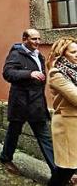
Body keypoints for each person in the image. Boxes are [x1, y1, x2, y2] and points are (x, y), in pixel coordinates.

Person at [0, 29, 55, 175]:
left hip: (36, 104)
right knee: (13, 132)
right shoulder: (16, 54)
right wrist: (29, 73)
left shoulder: (38, 55)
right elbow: (7, 73)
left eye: (39, 39)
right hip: (21, 103)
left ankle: (58, 172)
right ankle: (5, 158)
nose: (38, 42)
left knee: (45, 138)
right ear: (25, 39)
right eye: (34, 39)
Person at [47, 37, 77, 186]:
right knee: (66, 169)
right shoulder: (56, 74)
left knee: (72, 168)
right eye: (73, 52)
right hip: (67, 125)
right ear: (62, 54)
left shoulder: (74, 71)